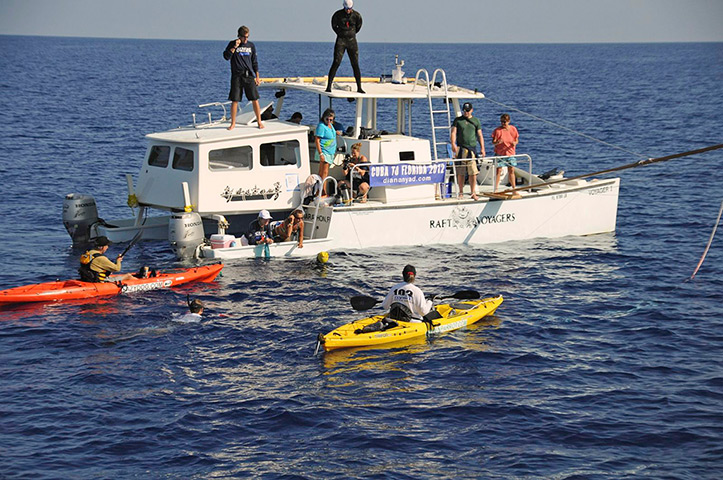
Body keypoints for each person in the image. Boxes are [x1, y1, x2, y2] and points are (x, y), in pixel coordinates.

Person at [223, 26, 264, 130]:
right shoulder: (232, 44)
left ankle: (259, 121)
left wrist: (257, 76)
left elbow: (254, 61)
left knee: (255, 99)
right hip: (237, 76)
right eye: (244, 37)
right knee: (235, 100)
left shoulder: (251, 46)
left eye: (247, 37)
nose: (246, 39)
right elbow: (226, 57)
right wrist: (234, 47)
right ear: (239, 36)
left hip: (249, 75)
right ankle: (233, 123)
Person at [326, 0, 365, 94]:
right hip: (341, 40)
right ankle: (329, 86)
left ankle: (359, 87)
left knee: (355, 64)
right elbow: (334, 25)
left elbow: (358, 27)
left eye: (350, 9)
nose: (348, 11)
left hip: (352, 41)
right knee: (336, 62)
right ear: (344, 7)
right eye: (347, 9)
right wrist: (340, 33)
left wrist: (351, 33)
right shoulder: (337, 15)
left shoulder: (357, 16)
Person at [450, 102, 486, 200]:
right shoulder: (458, 120)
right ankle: (461, 192)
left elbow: (479, 135)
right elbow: (453, 132)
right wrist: (453, 143)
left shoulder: (476, 121)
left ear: (471, 110)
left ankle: (472, 192)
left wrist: (482, 148)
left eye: (468, 110)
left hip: (472, 150)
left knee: (473, 172)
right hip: (461, 149)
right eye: (464, 110)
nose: (466, 112)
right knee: (461, 172)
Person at [315, 108, 341, 195]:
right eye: (327, 119)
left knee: (323, 172)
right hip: (324, 151)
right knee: (324, 172)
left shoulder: (330, 125)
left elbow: (331, 133)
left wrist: (336, 132)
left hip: (330, 152)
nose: (329, 121)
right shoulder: (321, 126)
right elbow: (317, 140)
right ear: (323, 117)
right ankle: (322, 192)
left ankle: (319, 191)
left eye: (331, 119)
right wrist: (320, 153)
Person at [491, 113, 520, 191]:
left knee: (511, 170)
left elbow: (516, 139)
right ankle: (496, 188)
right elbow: (493, 142)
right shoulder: (497, 130)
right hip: (500, 153)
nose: (503, 123)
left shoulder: (513, 129)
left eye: (504, 122)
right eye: (502, 122)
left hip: (510, 153)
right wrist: (497, 142)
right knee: (498, 170)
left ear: (508, 121)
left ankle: (514, 188)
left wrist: (515, 143)